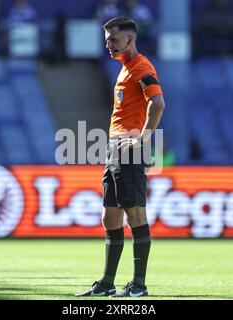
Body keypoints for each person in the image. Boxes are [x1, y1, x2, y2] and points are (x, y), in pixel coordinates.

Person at [75, 17, 165, 298]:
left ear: (130, 39)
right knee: (110, 216)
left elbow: (158, 103)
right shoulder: (125, 70)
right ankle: (107, 284)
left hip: (131, 150)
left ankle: (139, 285)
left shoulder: (141, 67)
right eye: (106, 40)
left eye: (113, 39)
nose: (108, 45)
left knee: (135, 214)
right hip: (115, 149)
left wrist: (143, 137)